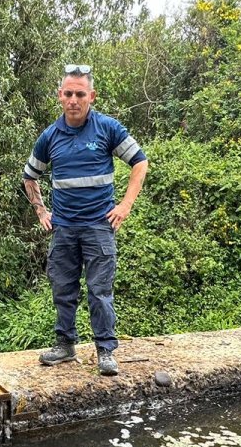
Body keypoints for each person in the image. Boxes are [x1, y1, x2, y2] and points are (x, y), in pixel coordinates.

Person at [22, 64, 149, 376]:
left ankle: (105, 351)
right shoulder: (50, 136)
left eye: (80, 94)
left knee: (99, 291)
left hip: (98, 227)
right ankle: (65, 346)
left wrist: (126, 205)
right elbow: (29, 176)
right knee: (63, 289)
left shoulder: (107, 129)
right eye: (68, 93)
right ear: (60, 96)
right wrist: (41, 210)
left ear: (91, 96)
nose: (74, 100)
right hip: (63, 228)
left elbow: (139, 162)